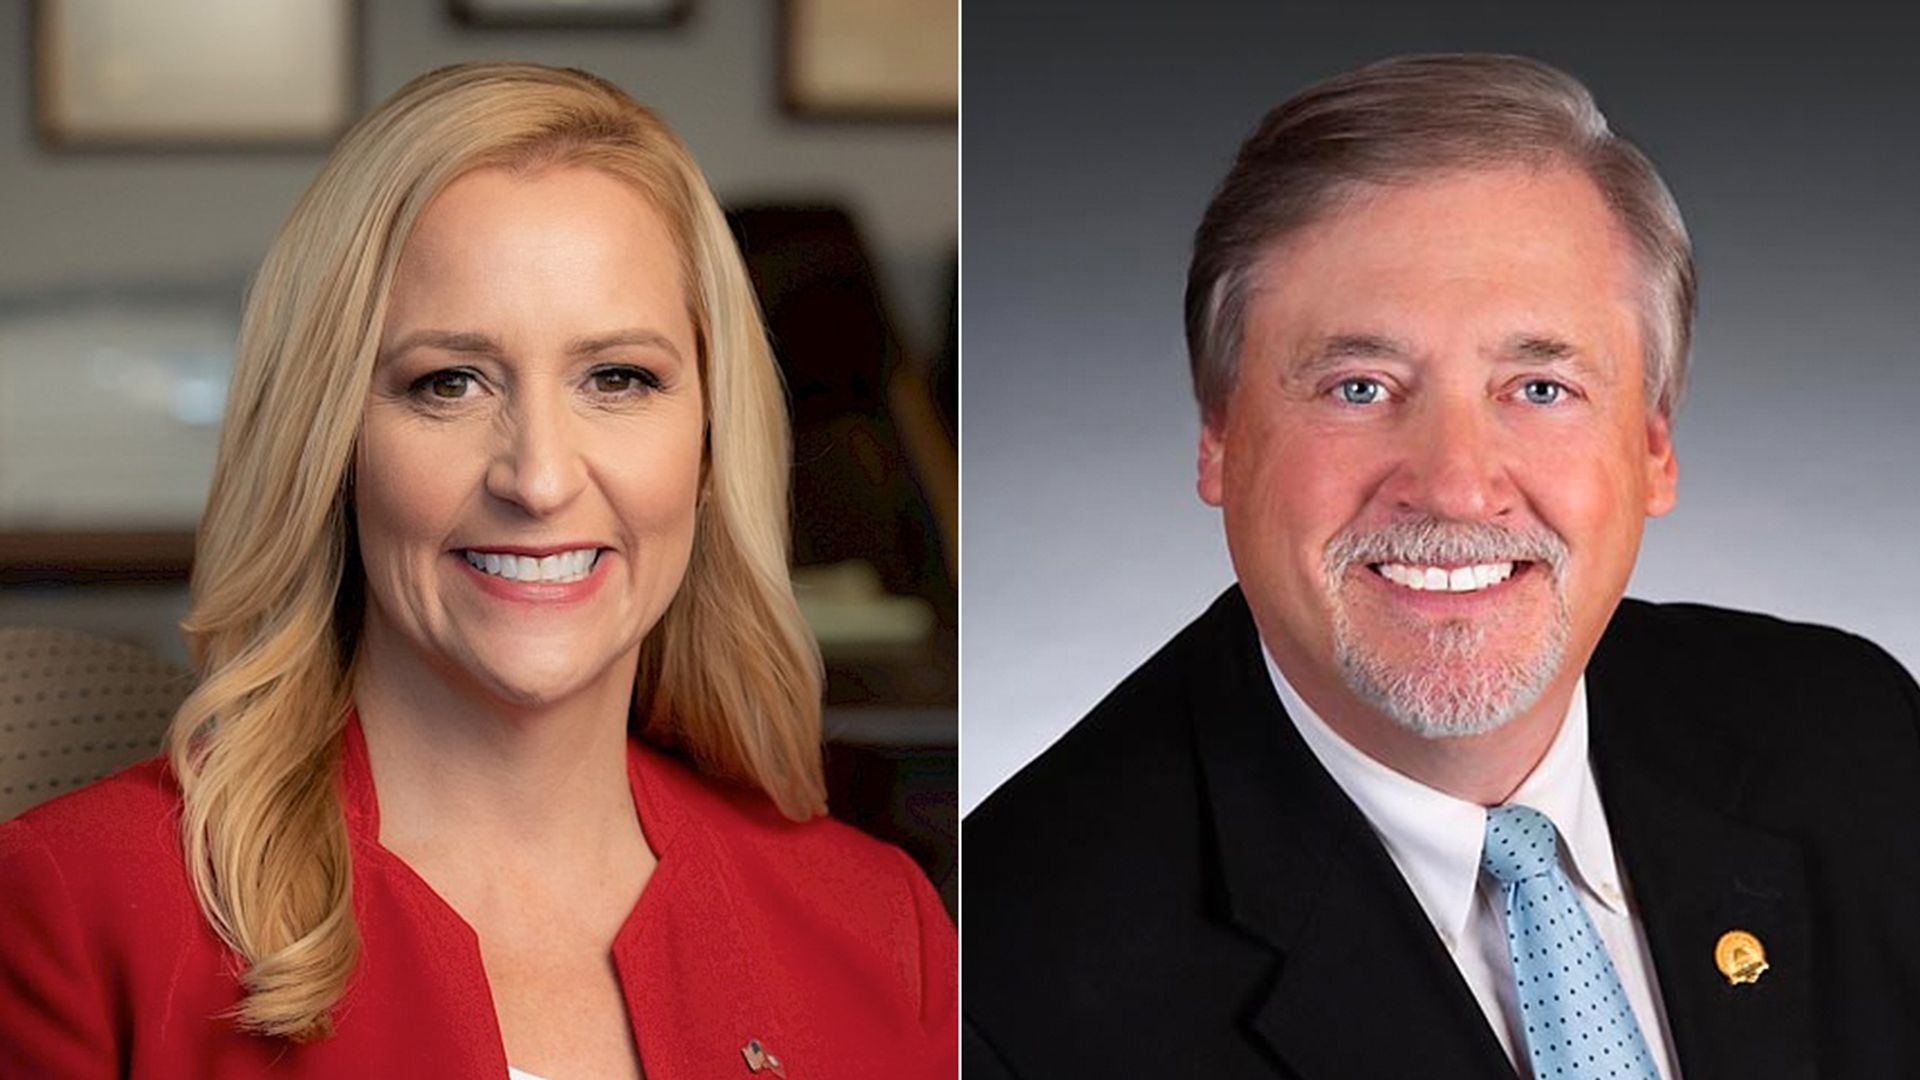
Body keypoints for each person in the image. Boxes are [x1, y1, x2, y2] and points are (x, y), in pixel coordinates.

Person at [964, 54, 1920, 1079]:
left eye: (1540, 389)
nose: (1457, 488)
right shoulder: (1009, 979)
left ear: (1653, 448)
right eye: (1361, 387)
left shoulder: (1857, 742)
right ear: (1220, 440)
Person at [0, 62, 956, 1079]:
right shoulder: (75, 911)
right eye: (448, 382)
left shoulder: (883, 923)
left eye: (618, 378)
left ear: (711, 446)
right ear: (331, 447)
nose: (538, 479)